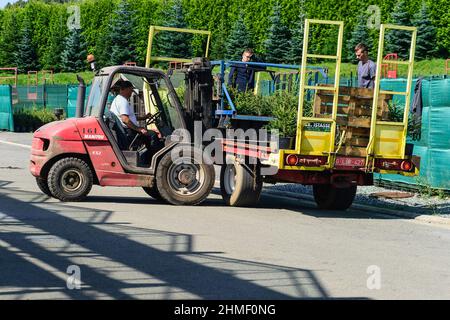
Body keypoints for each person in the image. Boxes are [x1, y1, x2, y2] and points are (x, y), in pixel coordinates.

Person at [110, 80, 161, 152]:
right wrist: (139, 129)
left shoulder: (118, 99)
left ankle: (148, 156)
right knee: (153, 135)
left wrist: (144, 117)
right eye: (131, 90)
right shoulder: (122, 101)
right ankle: (153, 157)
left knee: (149, 133)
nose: (131, 92)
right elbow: (125, 119)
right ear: (125, 89)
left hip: (127, 130)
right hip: (129, 132)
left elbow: (129, 117)